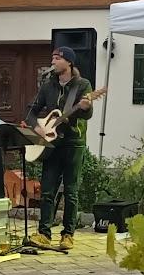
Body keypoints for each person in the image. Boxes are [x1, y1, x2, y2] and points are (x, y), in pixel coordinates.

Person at [25, 46, 94, 253]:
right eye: (53, 58)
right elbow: (31, 111)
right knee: (47, 190)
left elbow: (87, 115)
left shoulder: (83, 85)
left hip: (74, 143)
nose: (53, 61)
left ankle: (67, 235)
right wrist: (38, 128)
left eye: (57, 58)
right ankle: (44, 234)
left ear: (69, 62)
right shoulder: (48, 85)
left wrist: (86, 107)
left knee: (71, 191)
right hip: (51, 143)